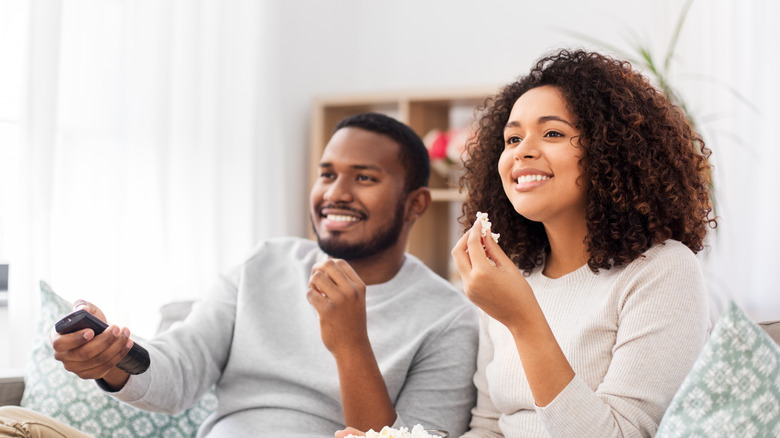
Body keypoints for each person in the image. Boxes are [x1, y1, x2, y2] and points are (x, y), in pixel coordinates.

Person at [0, 113, 479, 437]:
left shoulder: (448, 319)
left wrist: (350, 344)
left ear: (416, 203)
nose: (336, 193)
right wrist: (111, 359)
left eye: (365, 177)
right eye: (327, 173)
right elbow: (181, 368)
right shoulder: (266, 264)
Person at [337, 49, 715, 438]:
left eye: (552, 133)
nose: (522, 151)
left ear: (611, 149)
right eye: (512, 138)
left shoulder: (662, 270)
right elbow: (489, 429)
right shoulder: (513, 275)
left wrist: (523, 319)